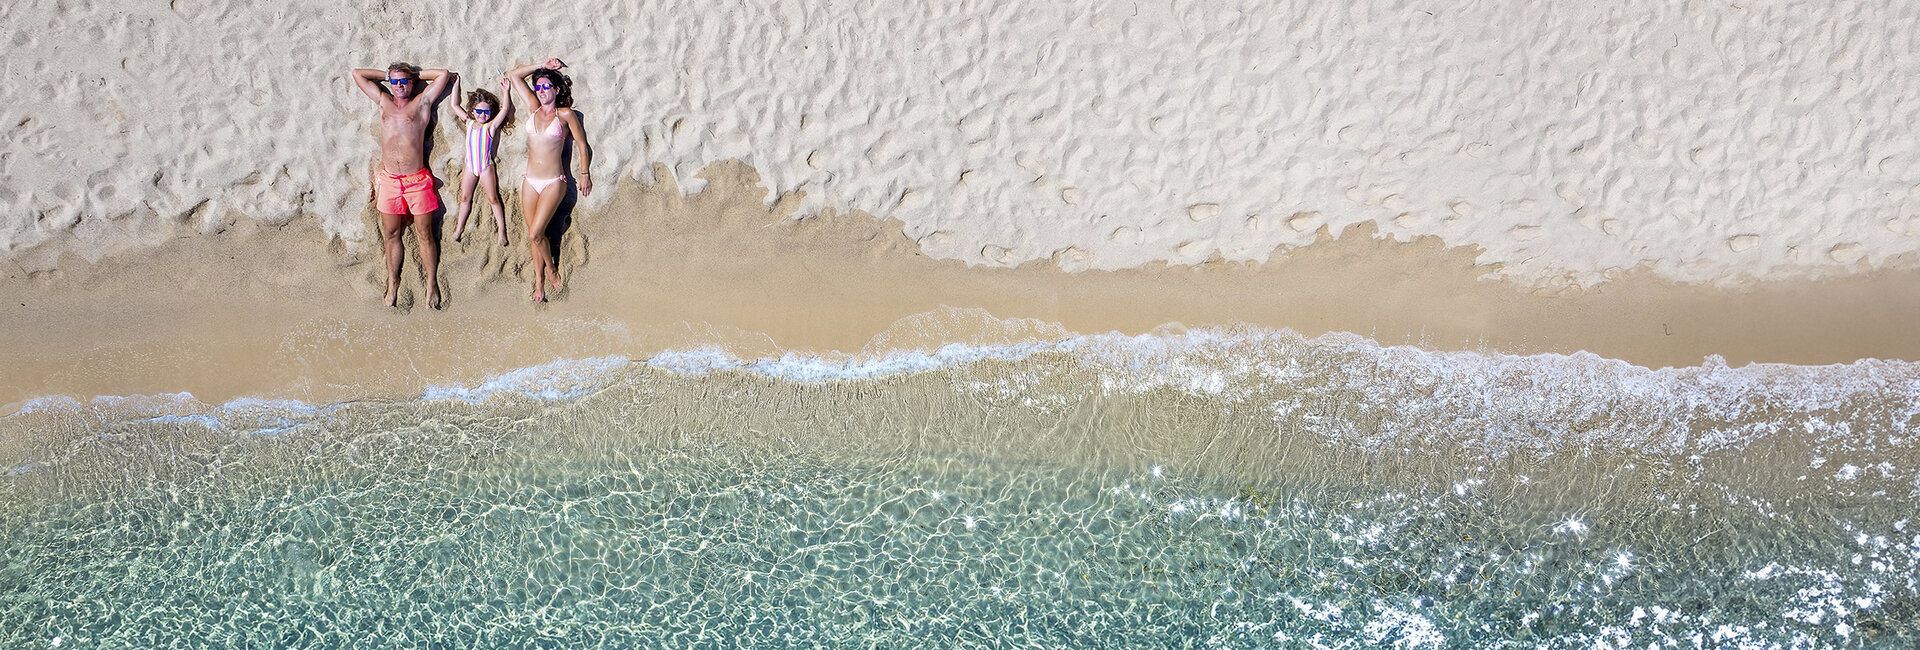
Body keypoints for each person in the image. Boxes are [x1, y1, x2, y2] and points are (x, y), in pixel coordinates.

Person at [351, 62, 457, 309]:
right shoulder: (383, 101)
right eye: (395, 82)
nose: (399, 86)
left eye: (404, 82)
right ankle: (393, 281)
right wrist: (388, 76)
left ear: (411, 83)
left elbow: (442, 75)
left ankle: (431, 283)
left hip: (417, 180)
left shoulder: (421, 102)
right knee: (391, 234)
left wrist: (413, 75)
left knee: (424, 233)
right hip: (389, 180)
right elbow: (358, 74)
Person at [506, 58, 592, 303]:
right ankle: (539, 282)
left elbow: (583, 145)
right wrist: (541, 65)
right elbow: (514, 76)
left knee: (536, 234)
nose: (541, 91)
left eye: (546, 86)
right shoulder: (533, 108)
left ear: (556, 89)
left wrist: (584, 174)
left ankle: (552, 269)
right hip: (530, 181)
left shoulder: (565, 115)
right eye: (538, 87)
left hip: (555, 181)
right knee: (535, 233)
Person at [450, 77, 514, 247]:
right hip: (470, 166)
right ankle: (459, 228)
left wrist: (505, 92)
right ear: (472, 110)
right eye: (479, 111)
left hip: (486, 166)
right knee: (464, 197)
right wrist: (456, 85)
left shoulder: (490, 127)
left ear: (491, 113)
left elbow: (505, 108)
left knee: (493, 198)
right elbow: (455, 105)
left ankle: (502, 231)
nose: (482, 115)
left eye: (486, 112)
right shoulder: (469, 123)